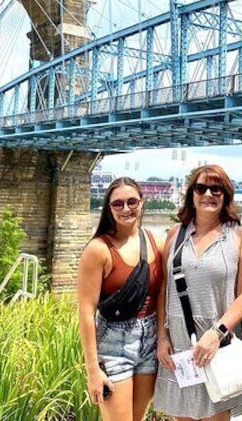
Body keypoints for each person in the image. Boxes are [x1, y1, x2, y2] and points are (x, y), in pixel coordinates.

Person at [153, 164, 242, 420]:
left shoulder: (238, 236)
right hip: (180, 343)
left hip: (218, 341)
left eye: (216, 189)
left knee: (217, 414)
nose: (208, 194)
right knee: (183, 415)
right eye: (201, 188)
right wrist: (162, 337)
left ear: (226, 195)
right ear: (192, 194)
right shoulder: (176, 234)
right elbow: (165, 289)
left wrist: (217, 333)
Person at [77, 177, 165, 421]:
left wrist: (162, 340)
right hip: (113, 343)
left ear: (142, 202)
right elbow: (86, 312)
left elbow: (162, 297)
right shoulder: (99, 250)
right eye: (118, 204)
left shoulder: (155, 241)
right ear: (109, 208)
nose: (126, 209)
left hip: (149, 340)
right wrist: (93, 370)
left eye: (132, 201)